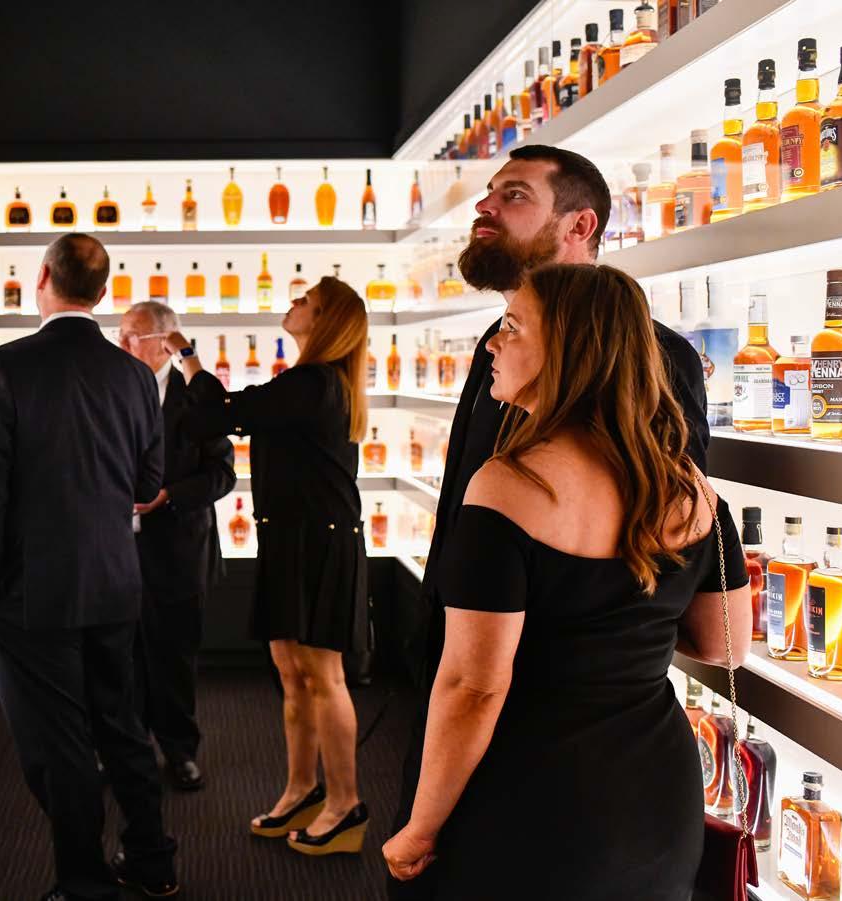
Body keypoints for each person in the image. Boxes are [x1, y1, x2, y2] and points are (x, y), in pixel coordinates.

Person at [387, 145, 710, 897]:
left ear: (579, 225)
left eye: (513, 195)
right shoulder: (495, 346)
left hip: (536, 712)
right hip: (485, 682)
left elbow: (655, 542)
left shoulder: (658, 357)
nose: (483, 207)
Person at [0, 234, 178, 901]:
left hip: (29, 590)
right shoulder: (134, 375)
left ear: (42, 277)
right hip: (114, 578)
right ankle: (152, 859)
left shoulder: (2, 366)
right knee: (122, 724)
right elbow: (148, 481)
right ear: (103, 293)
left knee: (58, 743)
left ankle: (84, 881)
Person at [161, 277, 371, 856]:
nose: (293, 303)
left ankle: (346, 804)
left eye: (306, 301)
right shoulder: (309, 383)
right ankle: (302, 788)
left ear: (325, 321)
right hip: (288, 541)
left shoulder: (312, 383)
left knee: (324, 677)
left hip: (321, 544)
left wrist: (186, 355)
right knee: (291, 674)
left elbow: (219, 415)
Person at [120, 302, 237, 792]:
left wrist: (168, 496)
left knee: (174, 659)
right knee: (120, 660)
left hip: (178, 548)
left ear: (166, 342)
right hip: (117, 551)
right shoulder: (112, 388)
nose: (123, 345)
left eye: (134, 336)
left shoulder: (197, 397)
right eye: (120, 334)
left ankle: (180, 751)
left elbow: (223, 474)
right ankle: (126, 751)